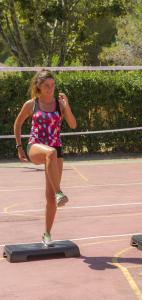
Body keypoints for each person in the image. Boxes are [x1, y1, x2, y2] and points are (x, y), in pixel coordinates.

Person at [13, 69, 77, 246]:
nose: (51, 89)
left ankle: (47, 234)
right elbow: (17, 124)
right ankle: (59, 192)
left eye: (53, 85)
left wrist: (67, 106)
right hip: (36, 146)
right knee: (49, 152)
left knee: (49, 198)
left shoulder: (59, 104)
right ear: (39, 87)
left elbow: (72, 124)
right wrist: (19, 147)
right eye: (47, 86)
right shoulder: (31, 104)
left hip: (57, 150)